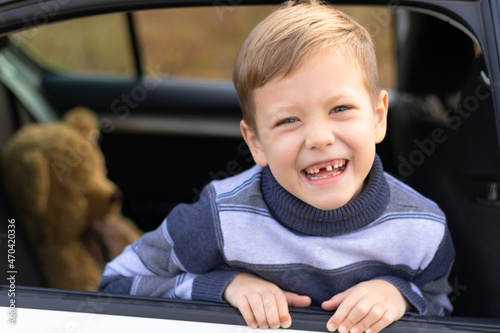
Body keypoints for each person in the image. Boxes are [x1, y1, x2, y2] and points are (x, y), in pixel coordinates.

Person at [99, 1, 455, 332]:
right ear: (255, 141)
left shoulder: (423, 228)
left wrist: (400, 296)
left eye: (340, 109)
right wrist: (222, 287)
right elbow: (116, 284)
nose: (319, 138)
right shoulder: (219, 218)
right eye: (288, 120)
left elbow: (443, 306)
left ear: (378, 118)